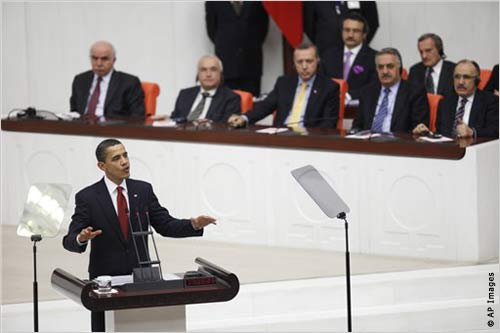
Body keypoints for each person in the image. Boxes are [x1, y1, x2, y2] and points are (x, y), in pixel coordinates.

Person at [62, 139, 216, 331]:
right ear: (102, 166)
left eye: (125, 155)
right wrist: (81, 238)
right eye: (116, 158)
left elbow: (166, 225)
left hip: (142, 280)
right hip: (105, 285)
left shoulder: (142, 190)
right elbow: (69, 240)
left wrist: (193, 224)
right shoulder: (88, 197)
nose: (125, 162)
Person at [227, 42, 339, 129]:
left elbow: (329, 124)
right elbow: (265, 106)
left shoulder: (329, 87)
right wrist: (244, 117)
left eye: (309, 61)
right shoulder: (284, 83)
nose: (304, 66)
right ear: (294, 63)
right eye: (299, 62)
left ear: (317, 61)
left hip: (310, 139)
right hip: (281, 136)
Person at [351, 48, 429, 133]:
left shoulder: (414, 92)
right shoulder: (367, 92)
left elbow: (419, 128)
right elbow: (357, 126)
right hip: (369, 143)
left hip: (398, 143)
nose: (385, 71)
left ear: (399, 67)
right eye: (380, 67)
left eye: (390, 66)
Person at [414, 60, 498, 138]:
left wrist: (472, 132)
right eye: (457, 77)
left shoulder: (490, 101)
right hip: (448, 150)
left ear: (477, 81)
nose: (461, 82)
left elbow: (495, 131)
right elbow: (440, 133)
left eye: (466, 77)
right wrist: (427, 134)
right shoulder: (444, 102)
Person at [205, 1, 269, 96]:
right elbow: (212, 31)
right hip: (226, 64)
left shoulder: (258, 2)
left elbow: (263, 27)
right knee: (227, 105)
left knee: (252, 104)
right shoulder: (213, 2)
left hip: (251, 63)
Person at [70, 41, 145, 119]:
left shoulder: (129, 83)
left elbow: (137, 117)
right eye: (95, 58)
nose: (99, 64)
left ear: (114, 60)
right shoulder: (80, 80)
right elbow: (74, 112)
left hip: (113, 129)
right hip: (82, 128)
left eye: (104, 59)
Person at [321, 12, 377, 102]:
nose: (350, 35)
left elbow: (374, 87)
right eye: (347, 30)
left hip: (360, 108)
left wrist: (347, 96)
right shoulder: (329, 56)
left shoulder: (374, 58)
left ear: (364, 35)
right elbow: (322, 84)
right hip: (330, 106)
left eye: (356, 31)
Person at [170, 55, 241, 123]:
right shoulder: (185, 94)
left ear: (220, 73)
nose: (208, 74)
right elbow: (175, 119)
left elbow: (226, 127)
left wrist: (209, 124)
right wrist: (166, 120)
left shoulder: (231, 98)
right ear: (198, 74)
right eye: (203, 70)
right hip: (181, 134)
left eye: (213, 69)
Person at [304, 1, 379, 56]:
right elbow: (309, 26)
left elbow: (372, 23)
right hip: (326, 55)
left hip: (357, 55)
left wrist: (357, 43)